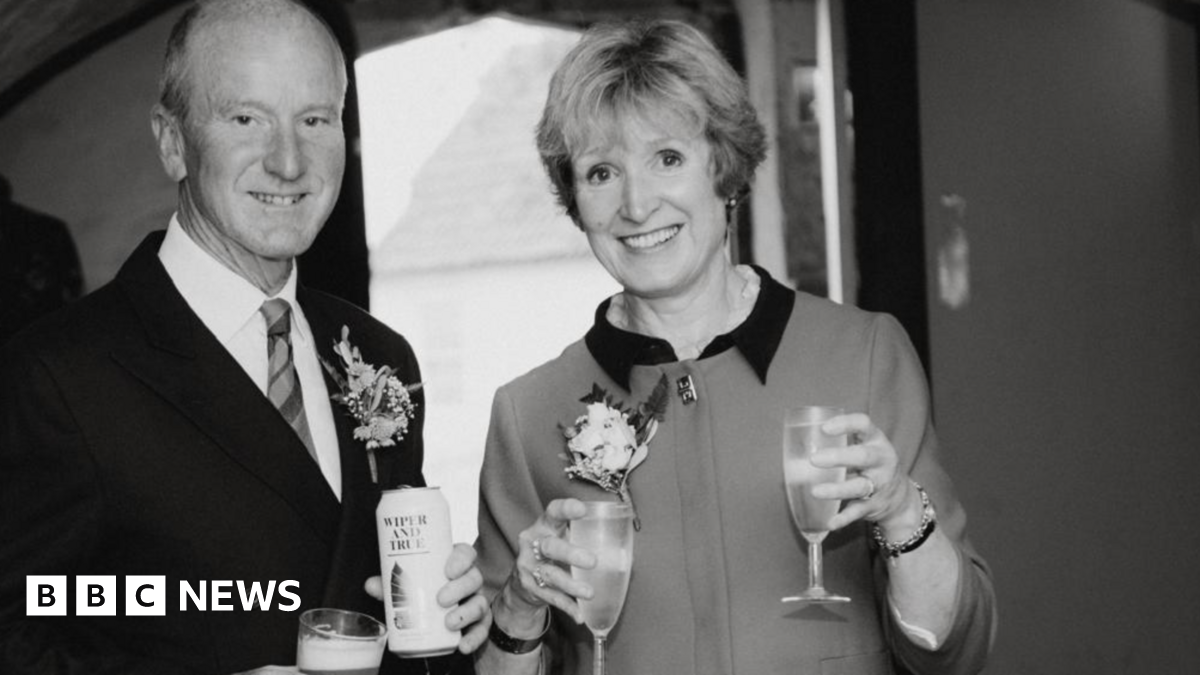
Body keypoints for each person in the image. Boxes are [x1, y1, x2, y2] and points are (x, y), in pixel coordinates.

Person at [472, 19, 996, 674]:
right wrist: (520, 607)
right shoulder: (526, 416)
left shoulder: (862, 354)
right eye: (602, 171)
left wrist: (898, 511)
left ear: (725, 167)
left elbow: (956, 650)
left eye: (668, 158)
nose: (637, 204)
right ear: (576, 200)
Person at [0, 1, 488, 673]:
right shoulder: (56, 377)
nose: (289, 161)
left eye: (315, 120)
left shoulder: (377, 355)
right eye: (246, 118)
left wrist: (455, 619)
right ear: (172, 142)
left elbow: (391, 611)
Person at [0, 173, 84, 345]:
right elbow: (74, 281)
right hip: (49, 328)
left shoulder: (46, 229)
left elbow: (73, 282)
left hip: (36, 329)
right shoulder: (49, 227)